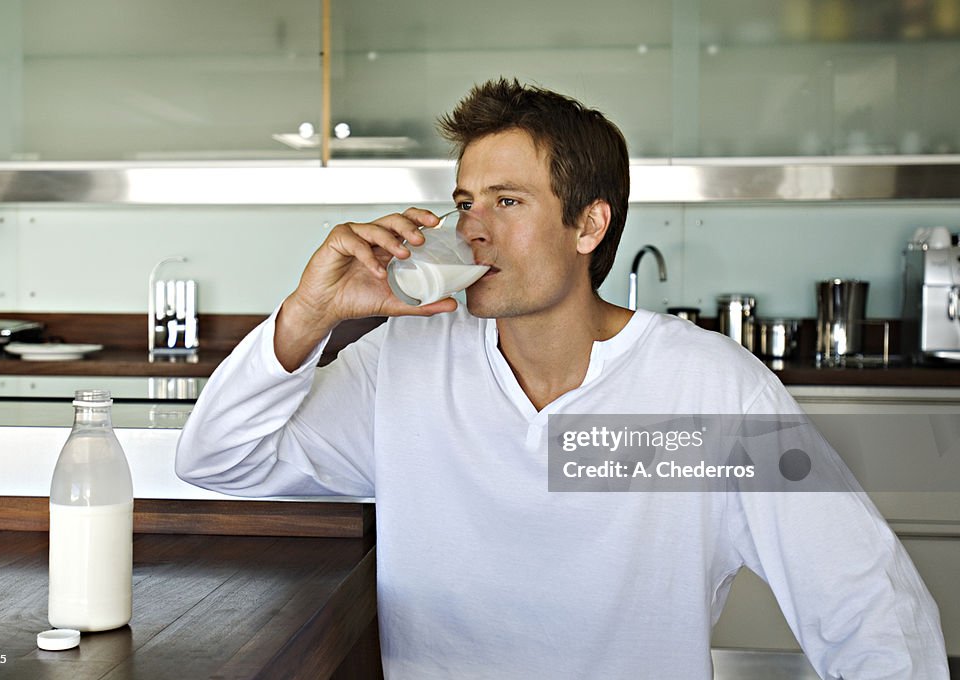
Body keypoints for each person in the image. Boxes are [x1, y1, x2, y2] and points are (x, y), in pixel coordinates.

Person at [175, 78, 948, 678]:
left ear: (589, 225)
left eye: (507, 201)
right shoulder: (406, 362)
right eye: (464, 202)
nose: (471, 227)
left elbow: (868, 606)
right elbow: (217, 459)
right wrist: (310, 314)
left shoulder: (708, 390)